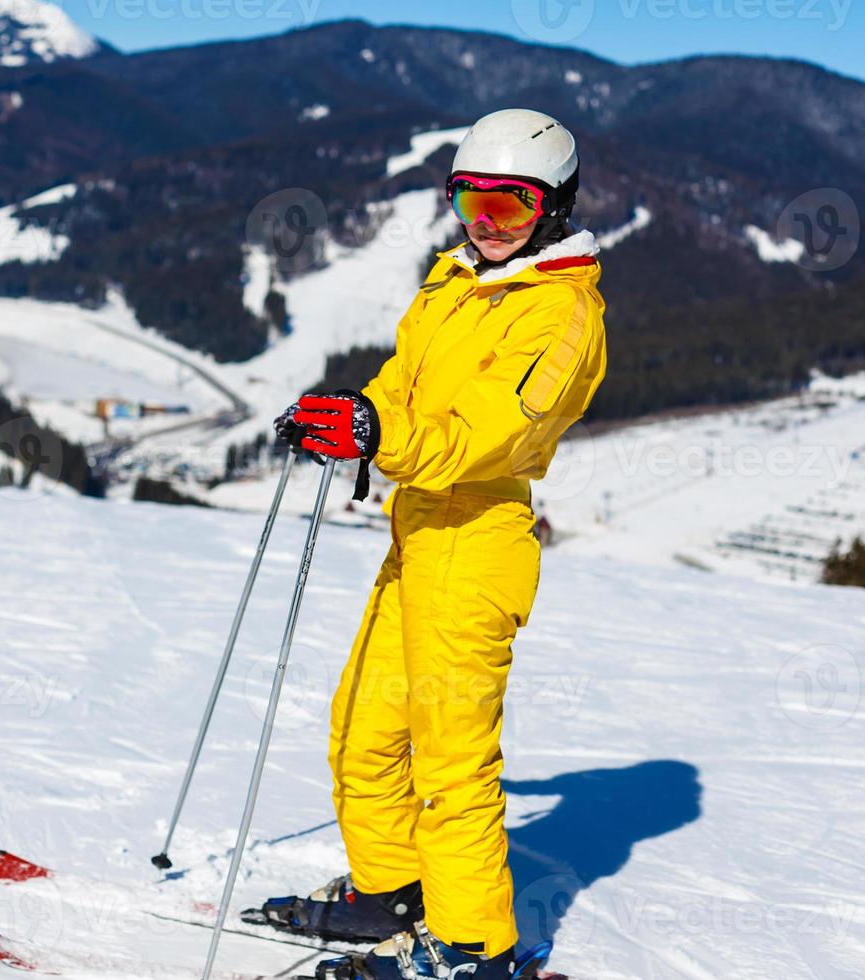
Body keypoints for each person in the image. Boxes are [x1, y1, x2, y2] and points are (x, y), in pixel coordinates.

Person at [259, 108, 608, 979]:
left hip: (478, 538)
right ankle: (391, 891)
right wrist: (354, 414)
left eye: (512, 207)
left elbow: (487, 434)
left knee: (452, 759)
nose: (487, 224)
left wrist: (381, 434)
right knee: (364, 728)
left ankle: (472, 947)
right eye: (470, 202)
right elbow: (403, 383)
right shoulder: (454, 283)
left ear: (555, 208)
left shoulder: (562, 316)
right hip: (416, 532)